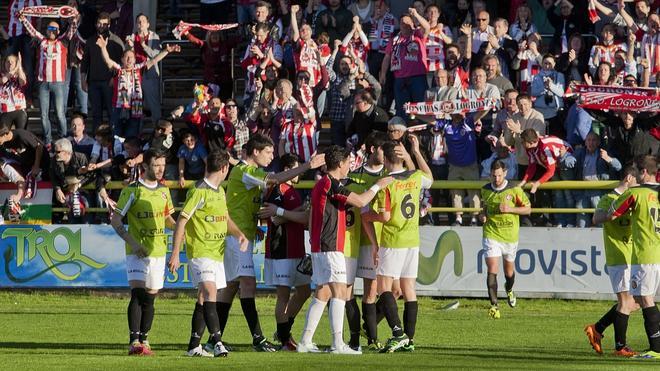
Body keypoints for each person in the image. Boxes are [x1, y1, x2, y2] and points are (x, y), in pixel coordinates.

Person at [217, 133, 324, 352]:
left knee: (231, 287)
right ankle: (257, 339)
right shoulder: (245, 171)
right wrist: (307, 165)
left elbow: (242, 203)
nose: (271, 156)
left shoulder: (248, 172)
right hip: (238, 238)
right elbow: (274, 179)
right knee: (247, 285)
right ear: (255, 152)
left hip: (242, 234)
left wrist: (253, 223)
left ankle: (213, 337)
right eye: (268, 152)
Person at [297, 145, 392, 354]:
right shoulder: (330, 183)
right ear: (340, 164)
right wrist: (378, 186)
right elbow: (360, 201)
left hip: (320, 245)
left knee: (322, 292)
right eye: (348, 162)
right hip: (330, 245)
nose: (350, 165)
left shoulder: (324, 183)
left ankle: (305, 340)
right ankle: (337, 344)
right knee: (339, 292)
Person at [168, 150, 246, 357]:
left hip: (216, 254)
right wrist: (175, 253)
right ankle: (217, 342)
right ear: (224, 168)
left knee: (204, 297)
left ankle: (194, 346)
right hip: (199, 251)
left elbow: (226, 218)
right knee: (211, 292)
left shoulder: (219, 192)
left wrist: (239, 234)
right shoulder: (198, 191)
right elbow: (182, 221)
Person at [365, 137, 433, 353]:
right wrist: (416, 151)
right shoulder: (415, 176)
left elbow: (385, 216)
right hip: (412, 240)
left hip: (393, 240)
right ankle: (410, 339)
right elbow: (430, 178)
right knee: (408, 289)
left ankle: (397, 333)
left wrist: (367, 216)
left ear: (385, 159)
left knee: (384, 288)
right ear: (402, 157)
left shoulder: (387, 183)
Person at [110, 148, 176, 356]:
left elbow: (167, 219)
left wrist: (183, 227)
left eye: (163, 165)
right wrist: (133, 242)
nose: (160, 169)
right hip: (136, 252)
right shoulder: (133, 190)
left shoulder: (164, 191)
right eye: (156, 165)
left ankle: (145, 340)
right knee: (137, 294)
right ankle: (134, 341)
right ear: (145, 166)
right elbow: (116, 219)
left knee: (150, 298)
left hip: (158, 251)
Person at [256, 153, 312, 351]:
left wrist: (301, 211)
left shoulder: (293, 190)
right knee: (283, 296)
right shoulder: (278, 188)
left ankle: (284, 330)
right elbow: (275, 219)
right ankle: (284, 340)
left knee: (305, 290)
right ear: (288, 170)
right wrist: (301, 210)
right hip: (281, 248)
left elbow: (289, 216)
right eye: (295, 169)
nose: (299, 174)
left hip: (296, 248)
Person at [607, 155, 660, 360]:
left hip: (644, 253)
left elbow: (613, 213)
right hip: (656, 251)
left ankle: (655, 349)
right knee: (639, 297)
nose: (635, 175)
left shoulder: (636, 192)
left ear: (644, 172)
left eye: (637, 171)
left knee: (645, 299)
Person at [585, 165, 639, 357]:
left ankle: (597, 328)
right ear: (629, 178)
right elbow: (595, 218)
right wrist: (611, 214)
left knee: (637, 301)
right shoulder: (610, 198)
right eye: (637, 178)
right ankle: (620, 346)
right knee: (625, 302)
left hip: (632, 255)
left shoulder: (634, 198)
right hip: (618, 256)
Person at [96, 36, 180, 138]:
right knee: (116, 136)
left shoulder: (139, 69)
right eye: (126, 57)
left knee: (132, 136)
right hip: (118, 108)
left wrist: (166, 51)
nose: (129, 59)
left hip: (135, 107)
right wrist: (103, 47)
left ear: (135, 60)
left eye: (131, 57)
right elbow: (108, 60)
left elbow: (154, 60)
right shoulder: (118, 69)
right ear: (122, 59)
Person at [478, 160, 531, 319]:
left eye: (499, 175)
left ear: (505, 173)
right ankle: (494, 305)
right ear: (490, 175)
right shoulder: (485, 190)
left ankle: (509, 290)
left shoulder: (514, 189)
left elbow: (528, 209)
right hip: (491, 234)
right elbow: (484, 209)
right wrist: (482, 216)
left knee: (509, 272)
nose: (496, 179)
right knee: (492, 268)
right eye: (494, 176)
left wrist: (511, 209)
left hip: (510, 237)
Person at [19, 11, 79, 147]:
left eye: (54, 29)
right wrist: (23, 19)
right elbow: (32, 31)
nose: (52, 31)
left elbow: (71, 30)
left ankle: (63, 138)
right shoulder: (42, 40)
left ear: (58, 31)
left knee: (59, 113)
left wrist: (74, 19)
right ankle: (48, 141)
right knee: (44, 115)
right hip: (43, 83)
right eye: (49, 28)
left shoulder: (63, 41)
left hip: (58, 83)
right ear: (46, 30)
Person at [0, 54, 27, 131]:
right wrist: (15, 68)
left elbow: (23, 82)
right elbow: (3, 81)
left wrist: (20, 67)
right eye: (7, 62)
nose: (10, 63)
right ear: (4, 64)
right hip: (5, 110)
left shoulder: (20, 74)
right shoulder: (1, 75)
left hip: (19, 109)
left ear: (16, 63)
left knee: (22, 135)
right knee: (3, 136)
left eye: (12, 62)